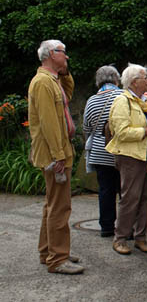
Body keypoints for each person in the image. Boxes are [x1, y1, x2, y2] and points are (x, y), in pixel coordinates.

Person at [28, 40, 84, 274]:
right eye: (64, 53)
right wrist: (59, 156)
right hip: (56, 154)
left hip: (57, 152)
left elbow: (67, 95)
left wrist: (65, 72)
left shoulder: (52, 80)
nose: (67, 57)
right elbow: (50, 123)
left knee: (52, 204)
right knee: (60, 207)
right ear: (51, 54)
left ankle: (49, 251)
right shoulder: (42, 82)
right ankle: (57, 258)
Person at [105, 63, 147, 255]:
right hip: (130, 156)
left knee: (145, 197)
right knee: (130, 198)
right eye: (145, 78)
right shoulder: (122, 101)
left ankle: (140, 237)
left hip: (145, 154)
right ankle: (120, 238)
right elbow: (121, 132)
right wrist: (146, 131)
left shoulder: (143, 101)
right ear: (134, 82)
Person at [82, 65, 123, 238]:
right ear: (116, 78)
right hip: (120, 149)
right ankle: (126, 226)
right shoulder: (122, 96)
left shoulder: (92, 100)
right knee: (125, 189)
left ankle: (106, 226)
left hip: (99, 151)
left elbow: (86, 127)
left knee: (105, 189)